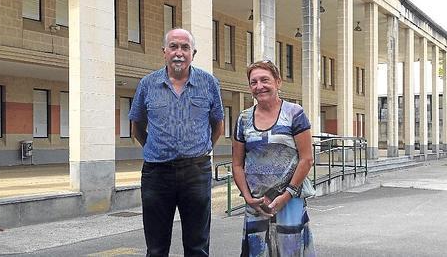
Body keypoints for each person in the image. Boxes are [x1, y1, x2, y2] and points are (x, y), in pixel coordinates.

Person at [129, 28, 224, 257]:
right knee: (156, 247)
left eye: (185, 47)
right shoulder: (147, 84)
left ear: (193, 52)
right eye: (173, 46)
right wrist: (157, 149)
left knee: (197, 246)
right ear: (164, 52)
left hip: (196, 172)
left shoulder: (209, 83)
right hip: (156, 173)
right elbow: (137, 127)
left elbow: (218, 125)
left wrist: (200, 150)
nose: (179, 53)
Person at [232, 60, 316, 257]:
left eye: (265, 80)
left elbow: (306, 159)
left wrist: (286, 195)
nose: (259, 86)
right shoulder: (243, 119)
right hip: (257, 202)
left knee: (290, 249)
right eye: (254, 82)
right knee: (258, 250)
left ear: (278, 82)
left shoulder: (294, 113)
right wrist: (248, 198)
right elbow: (237, 163)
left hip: (289, 199)